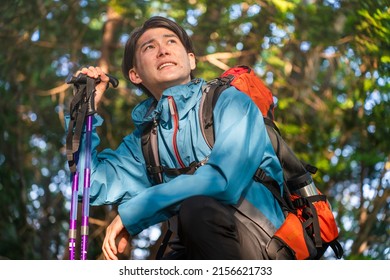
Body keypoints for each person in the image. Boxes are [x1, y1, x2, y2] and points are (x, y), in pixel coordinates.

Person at [69, 16, 285, 260]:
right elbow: (89, 185)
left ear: (191, 60)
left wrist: (132, 214)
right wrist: (84, 112)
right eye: (149, 47)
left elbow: (222, 181)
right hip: (197, 247)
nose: (162, 50)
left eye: (171, 41)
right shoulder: (146, 142)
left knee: (197, 210)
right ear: (135, 74)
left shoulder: (229, 101)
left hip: (265, 244)